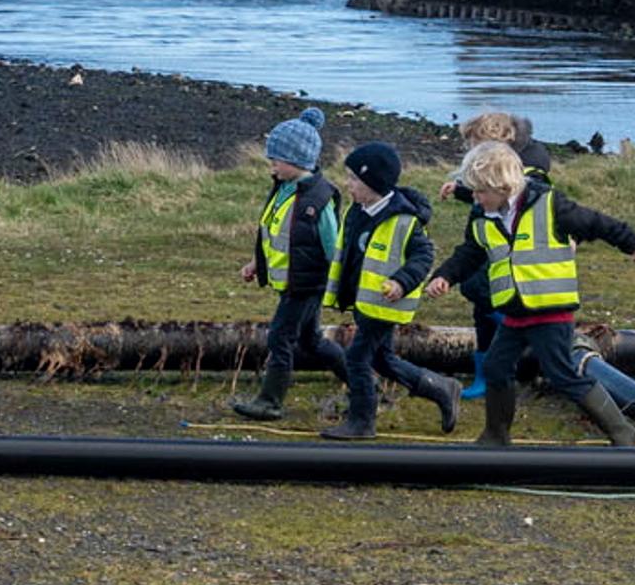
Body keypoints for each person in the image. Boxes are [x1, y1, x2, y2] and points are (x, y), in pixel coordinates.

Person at [418, 141, 635, 446]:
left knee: (563, 374)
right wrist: (445, 276)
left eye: (479, 192)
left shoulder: (549, 204)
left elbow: (597, 223)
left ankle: (624, 432)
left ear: (502, 187)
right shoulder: (482, 217)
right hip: (515, 313)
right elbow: (469, 254)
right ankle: (496, 435)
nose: (474, 198)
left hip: (551, 312)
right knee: (495, 368)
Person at [322, 142, 457, 439]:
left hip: (384, 305)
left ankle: (361, 420)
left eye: (354, 179)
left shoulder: (405, 220)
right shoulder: (357, 212)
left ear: (374, 182)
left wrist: (400, 282)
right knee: (382, 359)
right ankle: (440, 388)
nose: (348, 184)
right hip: (364, 302)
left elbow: (423, 257)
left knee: (357, 358)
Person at [229, 107, 351, 422]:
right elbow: (276, 234)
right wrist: (257, 262)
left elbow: (333, 247)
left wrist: (337, 286)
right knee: (311, 341)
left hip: (307, 285)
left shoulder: (318, 199)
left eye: (275, 161)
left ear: (297, 161)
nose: (271, 166)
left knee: (280, 337)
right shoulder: (283, 188)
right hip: (292, 282)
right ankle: (362, 382)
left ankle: (270, 401)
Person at [448, 111, 546, 401]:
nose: (469, 152)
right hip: (483, 246)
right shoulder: (490, 176)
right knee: (481, 311)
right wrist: (459, 190)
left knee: (495, 305)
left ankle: (521, 357)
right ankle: (485, 377)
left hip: (508, 255)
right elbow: (485, 191)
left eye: (474, 146)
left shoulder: (527, 173)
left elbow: (512, 197)